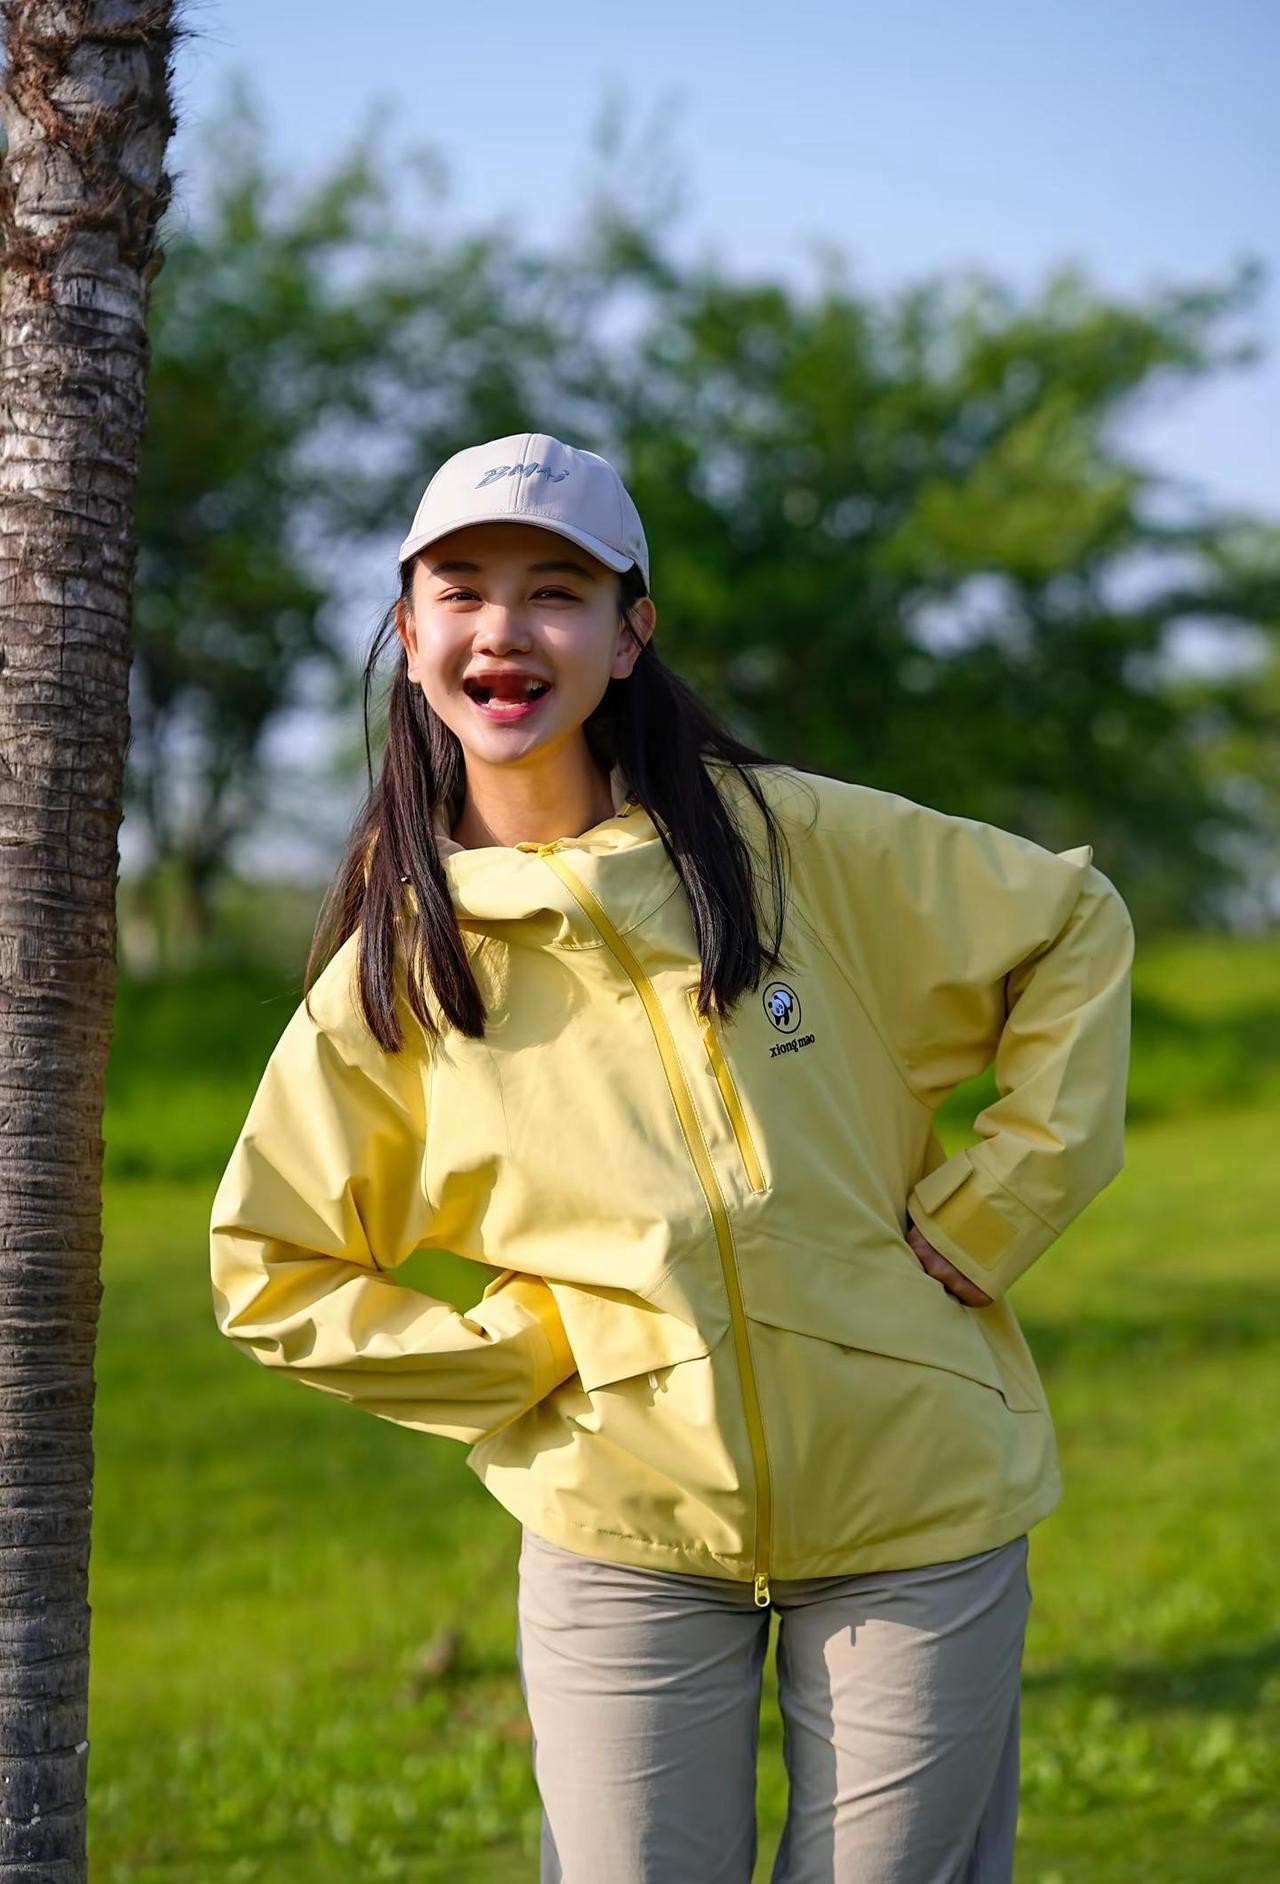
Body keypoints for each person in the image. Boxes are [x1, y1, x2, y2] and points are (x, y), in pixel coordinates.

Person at [209, 430, 1135, 1883]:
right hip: (619, 1538)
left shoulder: (793, 842)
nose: (505, 629)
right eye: (462, 590)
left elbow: (1072, 924)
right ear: (409, 633)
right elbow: (270, 1269)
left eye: (556, 592)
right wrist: (526, 1352)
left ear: (630, 634)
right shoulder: (400, 969)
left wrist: (1001, 1202)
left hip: (919, 1506)